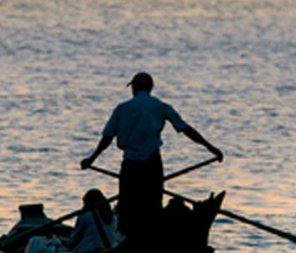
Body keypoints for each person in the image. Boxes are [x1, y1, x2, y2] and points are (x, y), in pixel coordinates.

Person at [80, 72, 223, 237]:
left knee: (127, 206)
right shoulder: (160, 106)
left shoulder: (122, 108)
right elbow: (185, 129)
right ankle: (151, 236)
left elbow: (107, 138)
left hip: (130, 165)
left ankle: (126, 237)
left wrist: (91, 159)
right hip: (152, 164)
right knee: (153, 204)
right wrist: (210, 148)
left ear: (134, 88)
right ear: (151, 88)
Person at [68, 188, 120, 253]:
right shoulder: (113, 218)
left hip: (90, 252)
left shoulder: (85, 215)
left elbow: (72, 241)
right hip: (109, 248)